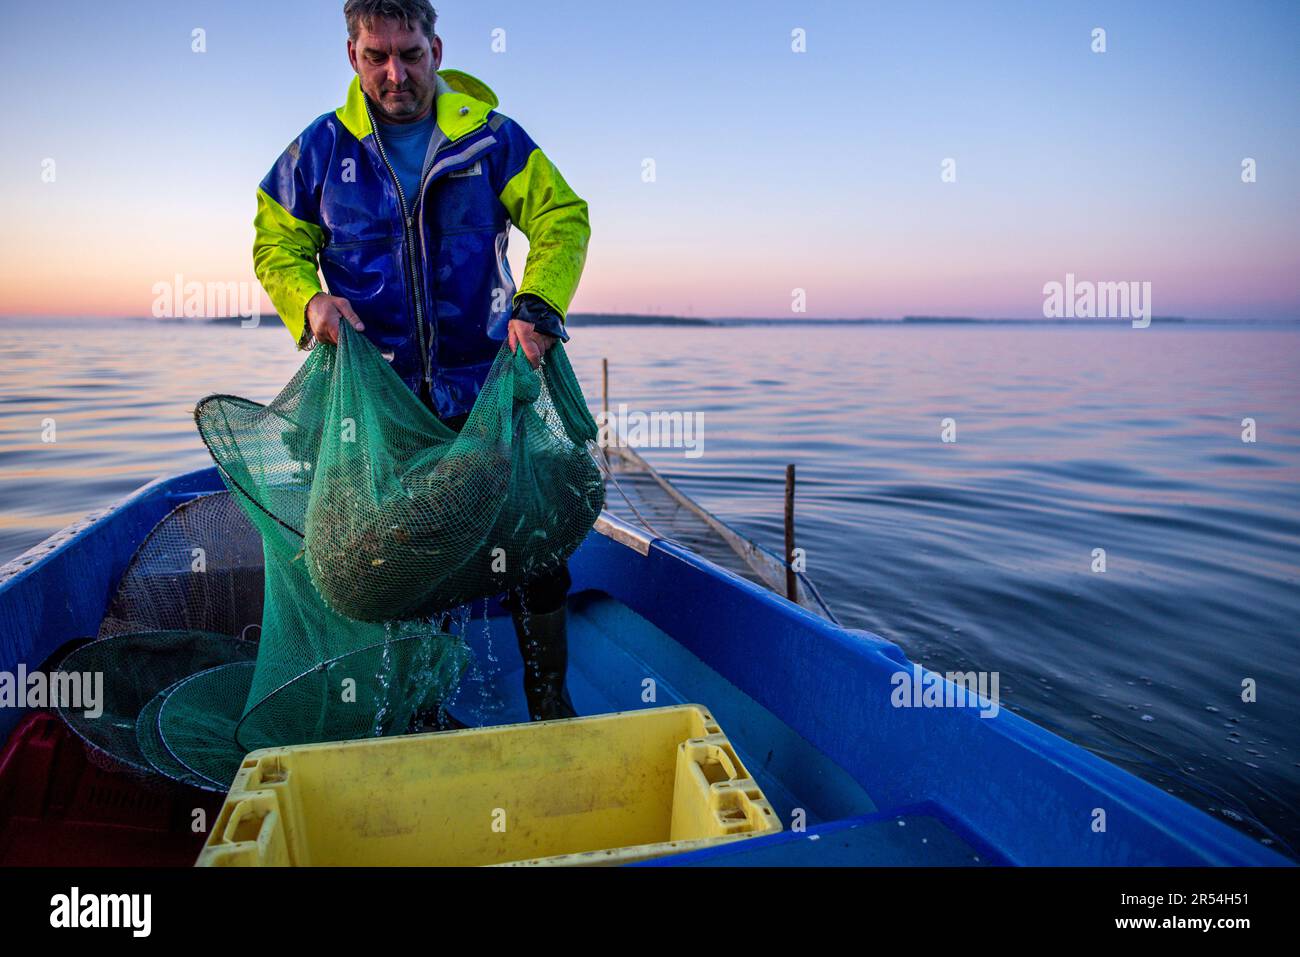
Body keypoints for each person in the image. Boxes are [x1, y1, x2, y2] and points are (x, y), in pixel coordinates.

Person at [252, 0, 590, 722]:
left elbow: (563, 216)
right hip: (379, 409)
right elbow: (275, 241)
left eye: (410, 53)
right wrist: (307, 303)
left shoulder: (490, 140)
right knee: (397, 561)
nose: (395, 73)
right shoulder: (319, 150)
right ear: (353, 56)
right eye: (377, 56)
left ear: (436, 47)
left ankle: (549, 699)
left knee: (533, 546)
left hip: (485, 393)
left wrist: (539, 303)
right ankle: (417, 714)